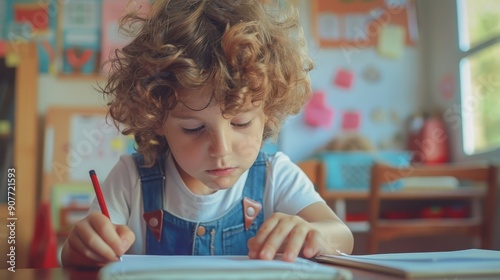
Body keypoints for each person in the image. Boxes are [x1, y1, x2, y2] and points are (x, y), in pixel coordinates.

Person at [61, 0, 353, 268]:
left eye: (240, 123)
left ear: (268, 112)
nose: (221, 149)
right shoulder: (130, 180)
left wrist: (315, 233)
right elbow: (76, 256)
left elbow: (343, 236)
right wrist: (79, 249)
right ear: (157, 119)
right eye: (194, 128)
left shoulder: (277, 178)